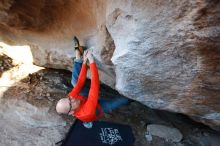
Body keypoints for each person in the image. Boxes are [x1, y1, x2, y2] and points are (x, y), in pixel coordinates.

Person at [56, 37, 129, 128]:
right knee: (121, 101)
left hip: (85, 99)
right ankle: (87, 121)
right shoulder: (87, 111)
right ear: (71, 112)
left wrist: (84, 63)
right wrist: (91, 61)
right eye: (71, 103)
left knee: (75, 82)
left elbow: (80, 82)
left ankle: (78, 56)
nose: (72, 99)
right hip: (96, 108)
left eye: (69, 99)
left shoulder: (71, 98)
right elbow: (94, 86)